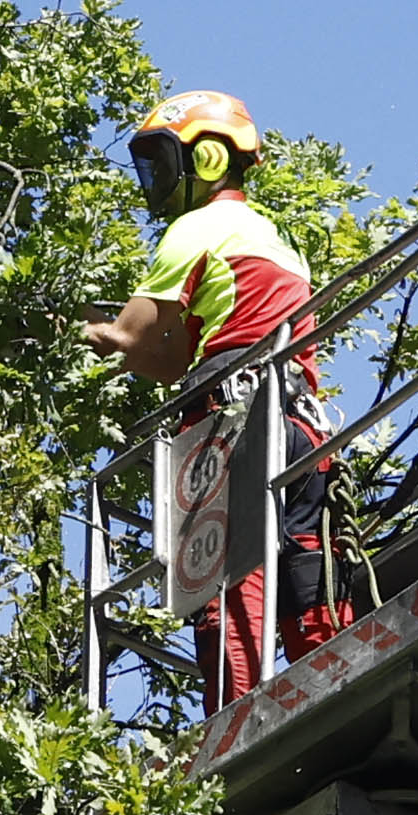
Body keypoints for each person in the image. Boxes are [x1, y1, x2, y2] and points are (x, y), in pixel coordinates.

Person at [80, 89, 342, 706]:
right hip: (300, 422)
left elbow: (133, 337)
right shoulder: (274, 240)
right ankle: (331, 689)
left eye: (165, 163)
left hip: (232, 419)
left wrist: (79, 328)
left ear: (207, 159)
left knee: (224, 570)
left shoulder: (196, 228)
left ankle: (235, 717)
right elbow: (172, 361)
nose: (160, 184)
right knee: (305, 565)